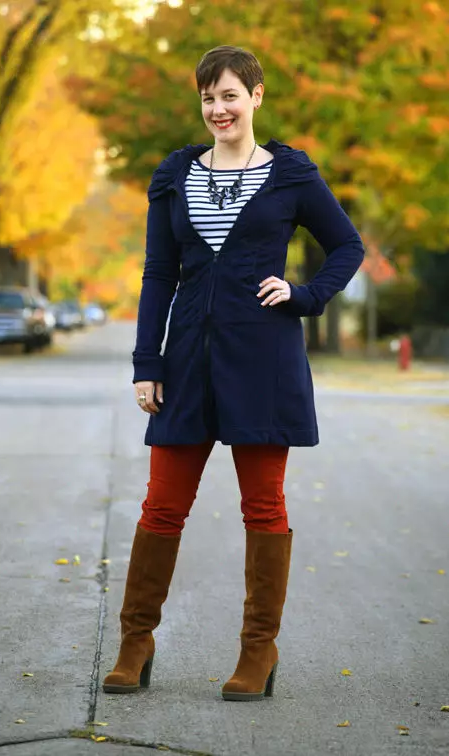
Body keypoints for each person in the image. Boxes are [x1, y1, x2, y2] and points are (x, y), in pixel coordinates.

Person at [103, 45, 364, 702]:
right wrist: (146, 362)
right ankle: (136, 642)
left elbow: (347, 246)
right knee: (162, 504)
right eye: (207, 98)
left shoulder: (291, 176)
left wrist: (305, 296)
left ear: (256, 96)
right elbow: (159, 274)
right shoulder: (174, 175)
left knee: (263, 506)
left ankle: (258, 650)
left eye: (228, 95)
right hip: (187, 358)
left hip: (263, 362)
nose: (218, 109)